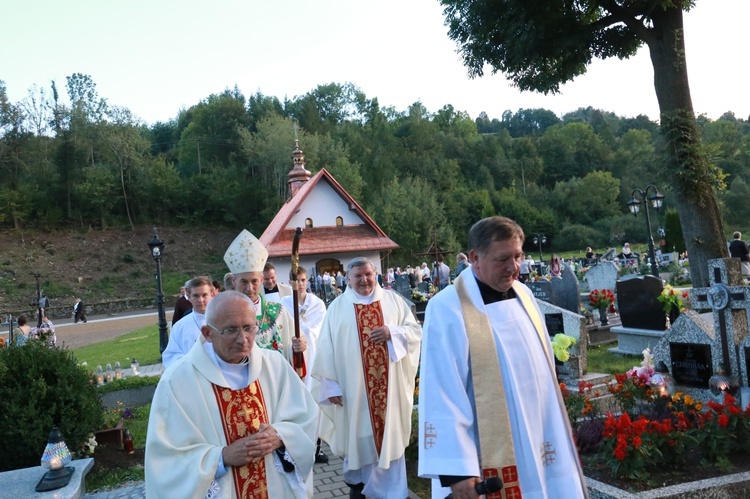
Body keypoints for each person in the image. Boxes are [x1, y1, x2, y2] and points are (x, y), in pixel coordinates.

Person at [418, 216, 587, 499]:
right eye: (503, 259)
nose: (514, 267)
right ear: (475, 257)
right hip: (487, 452)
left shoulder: (524, 295)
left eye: (518, 256)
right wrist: (458, 472)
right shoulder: (447, 308)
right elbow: (441, 390)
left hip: (541, 433)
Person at [145, 291, 320, 498]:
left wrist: (280, 436)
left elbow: (307, 418)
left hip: (275, 486)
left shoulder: (275, 365)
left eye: (248, 328)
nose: (243, 339)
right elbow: (165, 460)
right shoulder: (178, 381)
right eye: (231, 330)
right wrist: (221, 457)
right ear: (208, 333)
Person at [312, 257, 422, 499]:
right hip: (353, 393)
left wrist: (393, 332)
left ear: (376, 275)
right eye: (358, 276)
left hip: (389, 393)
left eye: (368, 275)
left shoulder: (393, 302)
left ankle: (393, 493)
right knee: (358, 437)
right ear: (348, 279)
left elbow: (415, 332)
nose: (364, 280)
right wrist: (329, 386)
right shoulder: (337, 308)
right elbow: (325, 347)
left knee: (388, 440)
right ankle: (359, 488)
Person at [224, 229, 306, 366]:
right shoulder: (224, 314)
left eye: (254, 281)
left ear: (261, 281)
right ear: (234, 281)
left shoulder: (278, 312)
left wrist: (300, 345)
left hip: (274, 380)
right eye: (244, 282)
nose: (249, 288)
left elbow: (296, 341)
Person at [281, 265, 329, 464]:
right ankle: (291, 449)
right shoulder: (283, 304)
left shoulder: (316, 304)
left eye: (302, 280)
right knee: (292, 402)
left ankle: (315, 448)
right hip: (290, 358)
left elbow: (318, 330)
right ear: (289, 282)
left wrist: (303, 337)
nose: (299, 284)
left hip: (312, 358)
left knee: (313, 402)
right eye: (295, 280)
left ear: (307, 281)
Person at [162, 276, 214, 369]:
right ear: (189, 297)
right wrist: (191, 360)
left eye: (204, 295)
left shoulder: (224, 321)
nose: (200, 300)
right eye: (196, 296)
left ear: (212, 295)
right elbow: (170, 357)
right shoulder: (180, 326)